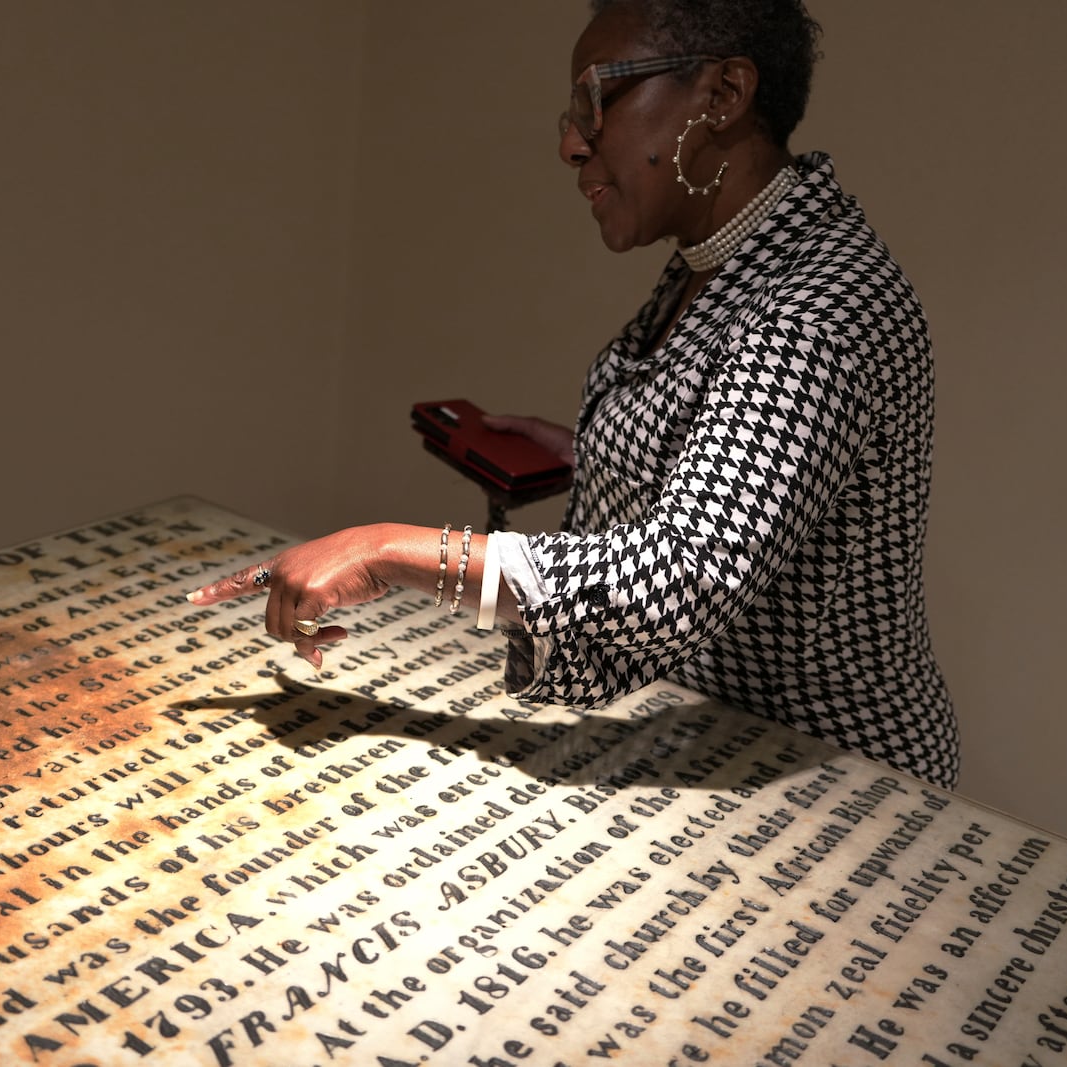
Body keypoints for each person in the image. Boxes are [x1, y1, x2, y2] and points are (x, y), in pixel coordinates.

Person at [190, 0, 958, 790]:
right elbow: (745, 452)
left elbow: (683, 576)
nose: (571, 141)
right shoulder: (732, 258)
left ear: (723, 95)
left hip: (832, 778)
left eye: (597, 98)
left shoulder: (822, 302)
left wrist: (386, 549)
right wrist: (608, 450)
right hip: (720, 738)